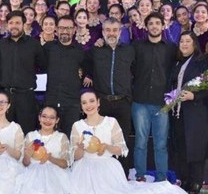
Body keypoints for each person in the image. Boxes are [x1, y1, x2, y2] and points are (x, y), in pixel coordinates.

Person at [69, 91, 193, 194]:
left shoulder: (110, 122)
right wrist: (81, 148)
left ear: (98, 102)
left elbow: (120, 149)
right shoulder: (77, 125)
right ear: (81, 106)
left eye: (91, 101)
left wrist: (106, 146)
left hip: (107, 169)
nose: (88, 105)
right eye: (84, 102)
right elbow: (76, 156)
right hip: (84, 170)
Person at [84, 18, 135, 175]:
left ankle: (122, 175)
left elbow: (136, 72)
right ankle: (101, 175)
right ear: (103, 32)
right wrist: (88, 75)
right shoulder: (95, 51)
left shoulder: (130, 50)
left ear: (120, 32)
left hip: (123, 103)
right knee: (100, 140)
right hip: (102, 103)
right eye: (108, 30)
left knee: (122, 141)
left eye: (114, 30)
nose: (111, 33)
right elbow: (86, 67)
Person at [132, 12, 177, 182]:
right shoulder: (137, 47)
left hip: (162, 102)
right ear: (146, 26)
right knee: (140, 142)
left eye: (158, 23)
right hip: (140, 101)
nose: (154, 26)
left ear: (163, 25)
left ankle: (161, 178)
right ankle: (140, 176)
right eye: (151, 23)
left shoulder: (171, 48)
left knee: (160, 144)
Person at [168, 32, 208, 194]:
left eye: (188, 41)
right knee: (181, 147)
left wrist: (194, 95)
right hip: (178, 113)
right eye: (181, 41)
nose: (184, 44)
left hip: (196, 111)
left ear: (194, 43)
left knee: (195, 147)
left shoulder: (202, 61)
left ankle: (196, 182)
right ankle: (185, 179)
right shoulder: (177, 63)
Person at [0, 11, 46, 133]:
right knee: (4, 134)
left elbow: (44, 65)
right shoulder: (0, 44)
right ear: (7, 25)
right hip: (5, 97)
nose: (14, 25)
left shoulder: (33, 44)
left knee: (27, 133)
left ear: (24, 24)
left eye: (17, 23)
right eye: (11, 23)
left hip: (26, 97)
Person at [15, 106, 73, 194]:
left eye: (52, 117)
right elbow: (25, 163)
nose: (47, 120)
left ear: (57, 120)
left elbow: (65, 164)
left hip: (55, 175)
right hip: (33, 174)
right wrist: (28, 156)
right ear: (39, 118)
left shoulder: (61, 137)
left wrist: (50, 158)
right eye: (44, 116)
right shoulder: (30, 136)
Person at [43, 15, 84, 137]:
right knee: (48, 140)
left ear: (74, 29)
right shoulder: (48, 48)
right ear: (56, 29)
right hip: (51, 102)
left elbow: (87, 73)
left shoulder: (80, 51)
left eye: (69, 28)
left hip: (72, 104)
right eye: (61, 28)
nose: (65, 31)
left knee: (71, 141)